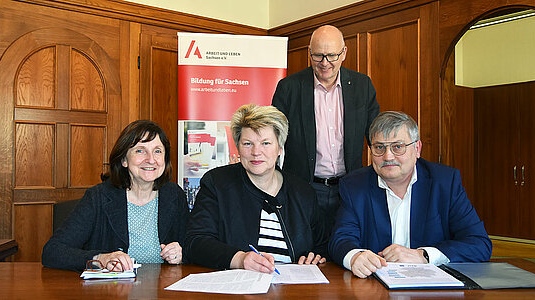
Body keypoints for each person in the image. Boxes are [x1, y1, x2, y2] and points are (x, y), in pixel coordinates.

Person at [329, 111, 492, 279]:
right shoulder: (354, 185)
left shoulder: (444, 182)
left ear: (417, 148)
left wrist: (424, 256)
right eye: (379, 147)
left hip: (432, 290)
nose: (388, 156)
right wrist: (355, 256)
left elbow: (479, 243)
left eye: (397, 146)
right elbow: (340, 239)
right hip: (372, 288)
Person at [185, 104, 328, 273]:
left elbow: (323, 244)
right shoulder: (217, 183)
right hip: (237, 287)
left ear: (280, 148)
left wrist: (316, 255)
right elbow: (195, 242)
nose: (256, 152)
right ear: (238, 147)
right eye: (247, 143)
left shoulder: (303, 192)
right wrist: (239, 259)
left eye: (266, 143)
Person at [272, 24, 380, 234]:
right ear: (309, 53)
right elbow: (273, 138)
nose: (325, 63)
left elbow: (375, 136)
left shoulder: (362, 85)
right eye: (318, 56)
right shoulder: (289, 87)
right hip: (304, 187)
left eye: (331, 55)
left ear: (344, 53)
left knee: (346, 245)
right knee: (307, 252)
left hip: (350, 187)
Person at [42, 120, 188, 272]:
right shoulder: (98, 197)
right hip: (113, 291)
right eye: (140, 150)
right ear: (124, 160)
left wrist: (182, 254)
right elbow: (52, 251)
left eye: (157, 151)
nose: (151, 159)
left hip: (163, 290)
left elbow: (193, 246)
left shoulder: (174, 195)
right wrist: (99, 258)